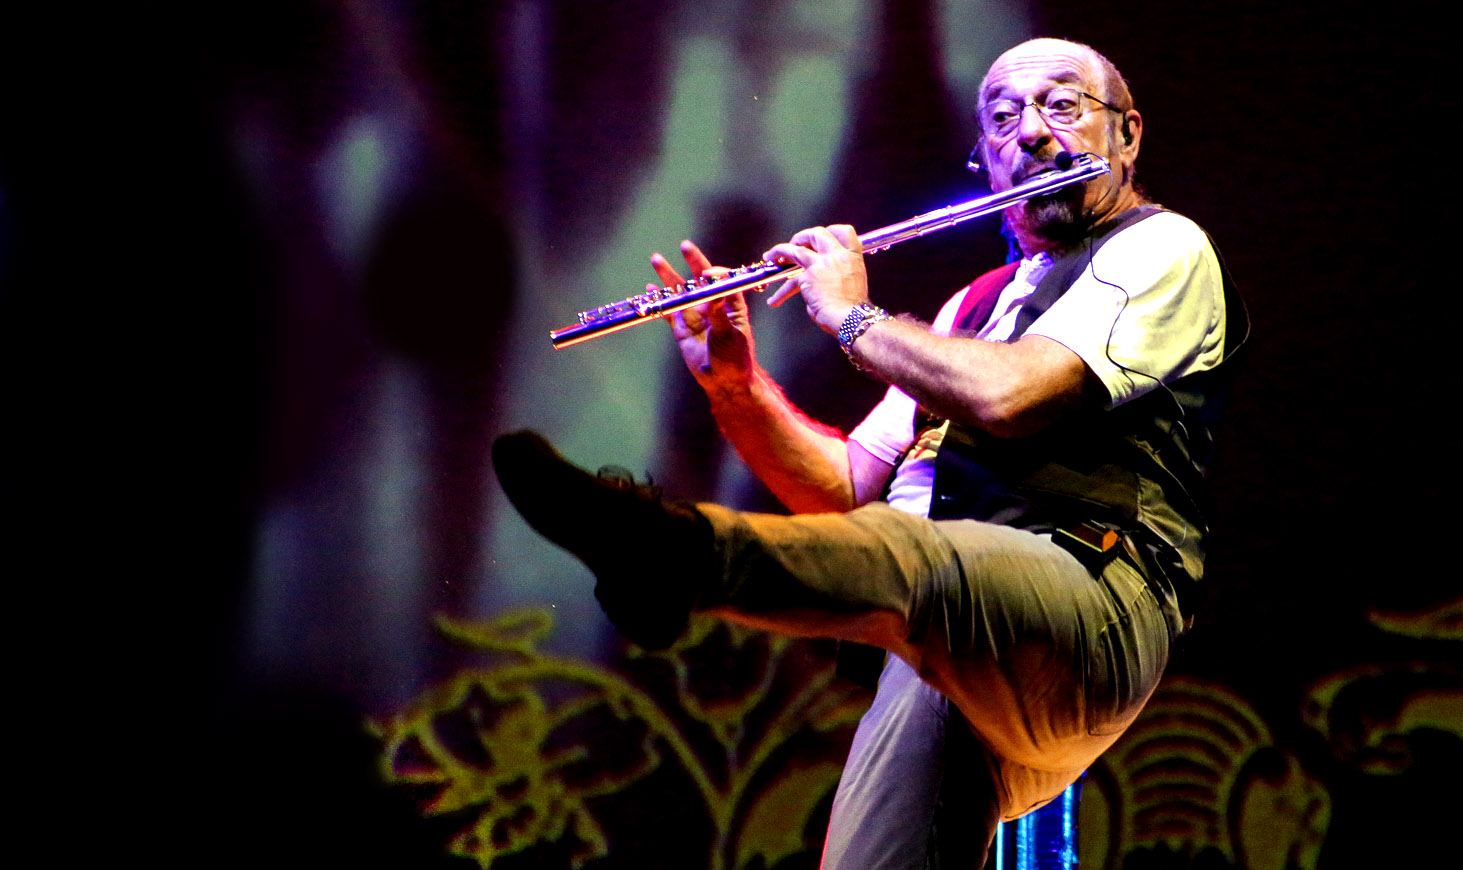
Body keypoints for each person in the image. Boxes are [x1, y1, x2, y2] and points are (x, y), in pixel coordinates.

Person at [492, 37, 1244, 867]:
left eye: (1061, 107)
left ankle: (672, 553)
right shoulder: (971, 307)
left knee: (914, 557)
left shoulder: (1162, 249)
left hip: (1089, 605)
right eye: (1003, 119)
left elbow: (1010, 396)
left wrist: (851, 316)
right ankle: (676, 555)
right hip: (939, 636)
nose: (1031, 133)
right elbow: (845, 492)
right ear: (985, 161)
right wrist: (736, 390)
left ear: (1126, 136)